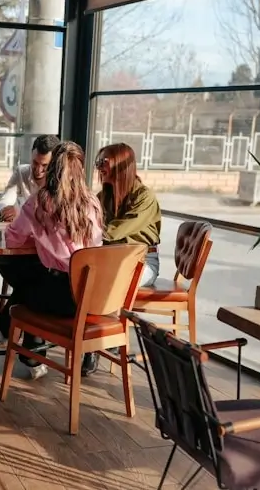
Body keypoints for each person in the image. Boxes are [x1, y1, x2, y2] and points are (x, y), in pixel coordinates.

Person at [0, 141, 103, 379]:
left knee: (24, 276)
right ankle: (23, 347)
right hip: (94, 295)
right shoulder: (93, 202)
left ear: (53, 167)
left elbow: (12, 240)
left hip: (63, 299)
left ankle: (20, 341)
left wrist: (39, 238)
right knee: (37, 276)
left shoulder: (40, 202)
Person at [81, 142, 162, 376]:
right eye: (98, 162)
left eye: (103, 162)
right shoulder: (102, 195)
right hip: (110, 260)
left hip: (142, 262)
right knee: (86, 277)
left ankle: (96, 344)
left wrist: (86, 230)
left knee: (108, 280)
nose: (98, 167)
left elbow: (114, 231)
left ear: (120, 165)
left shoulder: (144, 196)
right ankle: (99, 336)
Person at [0, 134, 60, 222]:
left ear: (54, 163)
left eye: (45, 165)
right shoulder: (21, 172)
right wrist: (4, 210)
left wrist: (20, 212)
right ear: (31, 155)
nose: (38, 170)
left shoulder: (60, 178)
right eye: (35, 162)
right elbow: (3, 202)